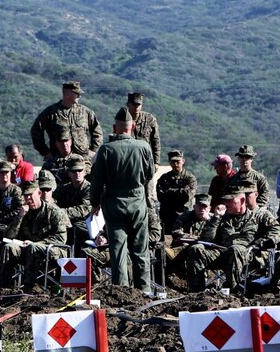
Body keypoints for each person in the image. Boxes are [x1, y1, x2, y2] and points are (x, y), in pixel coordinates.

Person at [89, 107, 155, 293]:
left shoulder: (105, 150)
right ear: (132, 126)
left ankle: (121, 291)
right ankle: (144, 290)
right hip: (137, 203)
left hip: (113, 203)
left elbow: (97, 181)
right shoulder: (143, 147)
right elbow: (149, 173)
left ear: (114, 127)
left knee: (118, 251)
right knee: (140, 250)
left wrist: (95, 203)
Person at [186, 185, 257, 293]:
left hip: (244, 255)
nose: (226, 204)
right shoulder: (223, 217)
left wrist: (260, 243)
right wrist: (216, 217)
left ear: (242, 200)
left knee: (235, 249)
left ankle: (233, 290)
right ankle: (197, 291)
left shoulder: (255, 217)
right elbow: (207, 239)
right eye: (225, 201)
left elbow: (249, 239)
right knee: (196, 249)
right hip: (220, 252)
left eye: (230, 201)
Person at [0, 181, 68, 288]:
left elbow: (60, 238)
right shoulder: (23, 211)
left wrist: (37, 243)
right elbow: (8, 236)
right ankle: (4, 287)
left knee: (33, 247)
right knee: (9, 247)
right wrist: (20, 217)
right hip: (27, 249)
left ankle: (29, 287)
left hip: (52, 250)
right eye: (26, 196)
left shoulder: (54, 211)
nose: (28, 199)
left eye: (30, 195)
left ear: (39, 194)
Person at [30, 81, 103, 159]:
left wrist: (93, 150)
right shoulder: (51, 113)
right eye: (77, 94)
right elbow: (36, 131)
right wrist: (45, 152)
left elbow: (97, 131)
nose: (79, 96)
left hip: (82, 159)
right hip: (58, 159)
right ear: (67, 94)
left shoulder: (85, 112)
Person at [165, 192, 214, 281]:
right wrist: (197, 239)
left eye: (205, 207)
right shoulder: (185, 217)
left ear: (209, 208)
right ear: (194, 207)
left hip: (207, 250)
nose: (202, 209)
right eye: (199, 206)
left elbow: (217, 236)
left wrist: (209, 222)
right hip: (185, 247)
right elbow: (177, 233)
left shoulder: (214, 220)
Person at [54, 157, 93, 251]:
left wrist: (60, 213)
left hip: (86, 223)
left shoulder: (89, 189)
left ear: (85, 172)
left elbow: (83, 210)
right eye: (74, 171)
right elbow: (52, 201)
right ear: (69, 173)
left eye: (80, 170)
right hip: (66, 221)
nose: (77, 173)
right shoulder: (64, 188)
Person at [156, 150, 197, 234]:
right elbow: (161, 196)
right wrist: (181, 191)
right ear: (169, 162)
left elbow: (188, 195)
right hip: (167, 215)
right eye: (173, 161)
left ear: (183, 161)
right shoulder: (164, 178)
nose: (175, 164)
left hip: (184, 214)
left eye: (177, 161)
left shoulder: (189, 178)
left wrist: (170, 191)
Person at [126, 92, 161, 165]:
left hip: (145, 159)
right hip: (127, 159)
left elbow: (155, 141)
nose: (136, 107)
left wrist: (156, 162)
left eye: (138, 105)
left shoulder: (150, 119)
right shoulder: (123, 119)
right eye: (134, 104)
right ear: (128, 104)